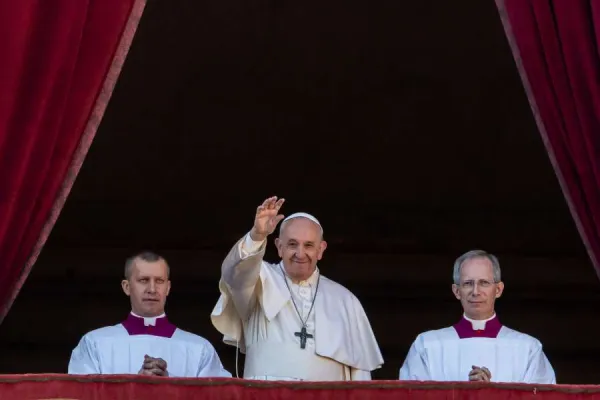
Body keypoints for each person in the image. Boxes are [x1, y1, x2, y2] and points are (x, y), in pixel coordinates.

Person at [211, 196, 383, 381]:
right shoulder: (259, 280)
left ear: (321, 249)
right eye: (292, 244)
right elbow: (233, 273)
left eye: (308, 245)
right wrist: (257, 235)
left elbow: (361, 373)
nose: (300, 254)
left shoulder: (345, 300)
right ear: (279, 246)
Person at [399, 250, 556, 384]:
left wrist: (492, 394)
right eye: (468, 283)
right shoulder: (427, 345)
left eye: (484, 283)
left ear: (498, 289)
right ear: (456, 291)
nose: (475, 291)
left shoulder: (527, 348)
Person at [68, 252, 231, 378]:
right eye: (143, 280)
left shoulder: (199, 349)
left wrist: (172, 387)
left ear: (168, 288)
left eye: (159, 281)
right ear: (126, 287)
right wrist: (135, 387)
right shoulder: (94, 344)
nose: (152, 289)